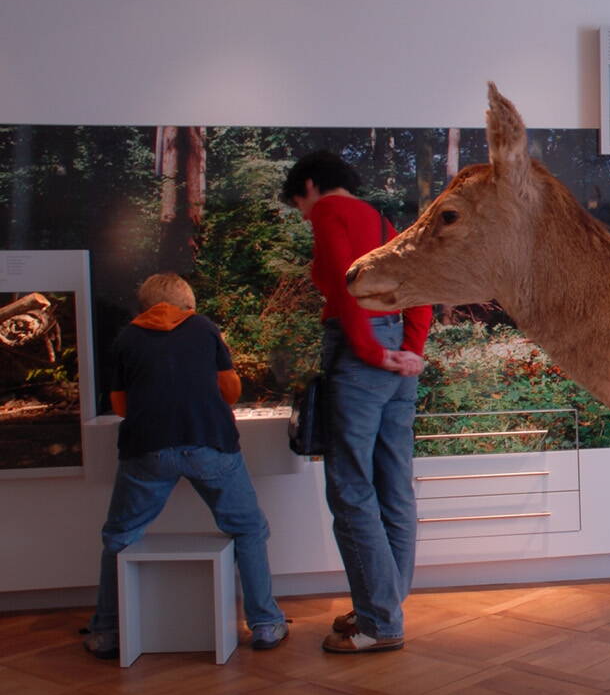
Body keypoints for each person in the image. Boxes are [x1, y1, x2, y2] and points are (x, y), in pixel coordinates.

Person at [86, 273, 287, 658]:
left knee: (120, 535)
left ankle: (107, 631)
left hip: (147, 449)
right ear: (188, 303)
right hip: (210, 443)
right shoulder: (204, 329)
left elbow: (120, 406)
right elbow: (230, 391)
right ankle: (265, 624)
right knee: (248, 530)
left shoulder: (127, 337)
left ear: (143, 305)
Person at [282, 151, 432, 653]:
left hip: (361, 355)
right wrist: (410, 350)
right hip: (396, 357)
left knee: (350, 487)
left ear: (309, 186)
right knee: (395, 483)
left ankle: (379, 621)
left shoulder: (328, 212)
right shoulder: (382, 218)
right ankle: (384, 603)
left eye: (298, 204)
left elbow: (348, 290)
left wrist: (370, 351)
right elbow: (418, 288)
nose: (304, 215)